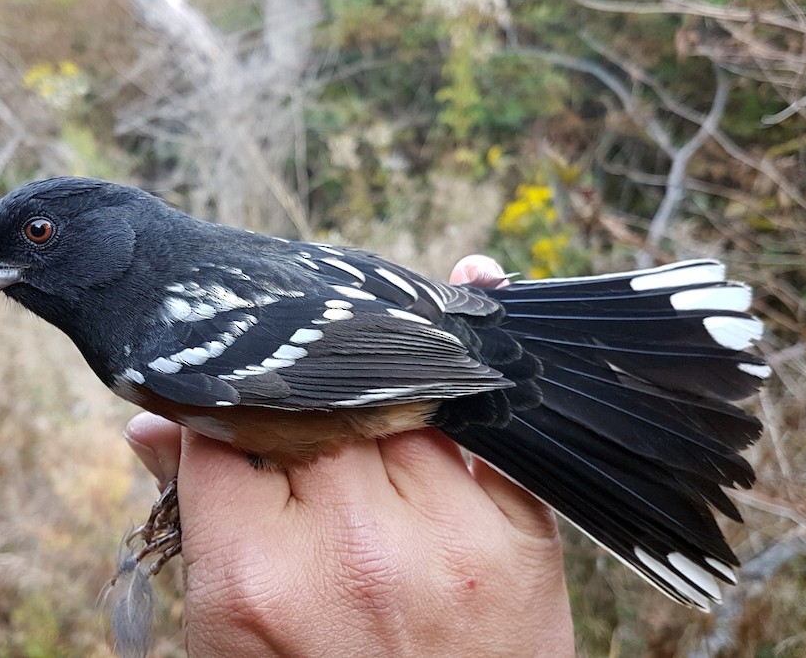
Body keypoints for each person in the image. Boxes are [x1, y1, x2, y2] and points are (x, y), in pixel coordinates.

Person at [125, 255, 576, 656]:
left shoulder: (148, 333)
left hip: (406, 372)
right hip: (407, 326)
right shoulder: (177, 274)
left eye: (48, 233)